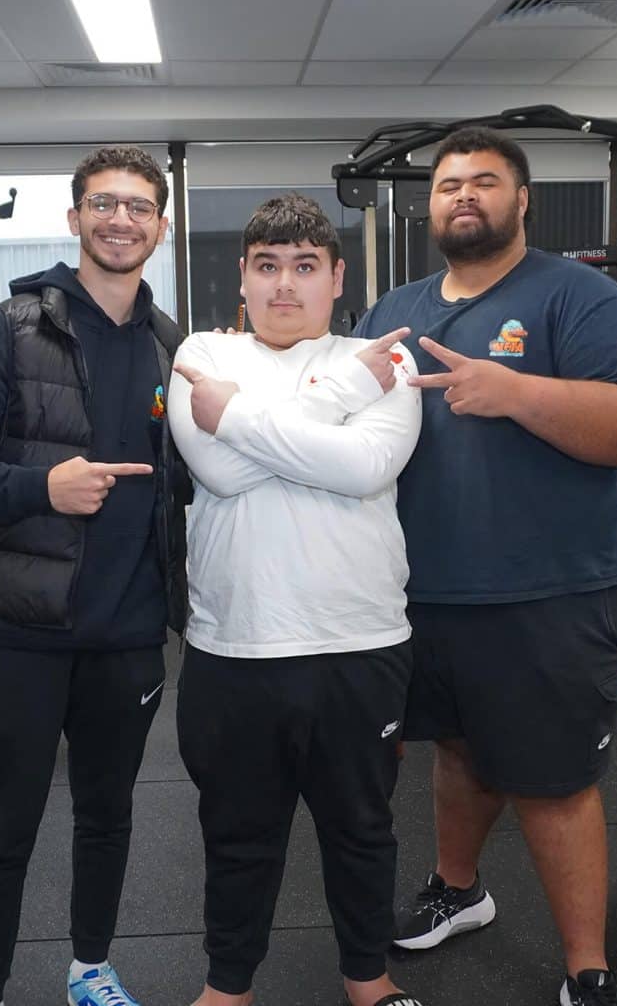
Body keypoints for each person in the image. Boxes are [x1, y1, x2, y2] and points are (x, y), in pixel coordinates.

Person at [355, 128, 617, 1006]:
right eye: (450, 183)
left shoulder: (583, 300)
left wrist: (516, 394)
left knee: (556, 781)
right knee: (456, 753)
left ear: (521, 200)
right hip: (425, 593)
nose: (464, 194)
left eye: (485, 181)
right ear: (430, 204)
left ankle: (587, 970)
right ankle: (461, 890)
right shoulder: (393, 311)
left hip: (552, 592)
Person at [0, 146, 188, 1006]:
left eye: (139, 207)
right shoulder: (9, 329)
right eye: (103, 204)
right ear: (74, 219)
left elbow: (183, 483)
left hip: (129, 635)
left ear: (160, 227)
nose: (120, 220)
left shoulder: (173, 345)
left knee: (108, 819)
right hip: (18, 632)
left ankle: (90, 968)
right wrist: (43, 487)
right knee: (4, 830)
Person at [168, 193, 425, 1006]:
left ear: (336, 276)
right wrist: (335, 396)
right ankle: (228, 987)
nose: (286, 285)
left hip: (361, 642)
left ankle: (368, 979)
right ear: (242, 276)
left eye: (305, 267)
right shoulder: (200, 354)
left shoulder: (384, 355)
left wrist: (241, 419)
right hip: (236, 647)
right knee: (238, 834)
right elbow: (222, 473)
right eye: (268, 266)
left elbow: (363, 469)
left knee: (363, 828)